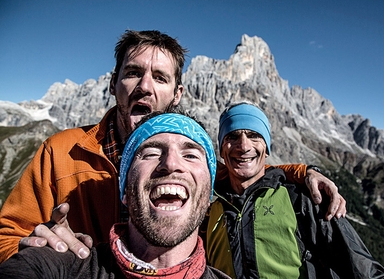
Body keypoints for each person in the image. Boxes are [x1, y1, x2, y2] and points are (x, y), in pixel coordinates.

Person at [0, 29, 344, 263]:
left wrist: (303, 172)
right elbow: (7, 236)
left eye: (160, 78)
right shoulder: (61, 152)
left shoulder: (193, 169)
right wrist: (39, 250)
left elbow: (246, 171)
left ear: (176, 95)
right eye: (133, 73)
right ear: (113, 83)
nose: (144, 87)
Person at [0, 111, 231, 278]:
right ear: (126, 192)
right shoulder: (63, 265)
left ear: (209, 196)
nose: (170, 163)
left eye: (191, 155)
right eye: (150, 153)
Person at [205, 102, 384, 278]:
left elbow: (363, 270)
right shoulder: (209, 208)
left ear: (267, 147)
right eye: (232, 136)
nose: (243, 146)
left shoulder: (303, 198)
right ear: (221, 148)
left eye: (254, 135)